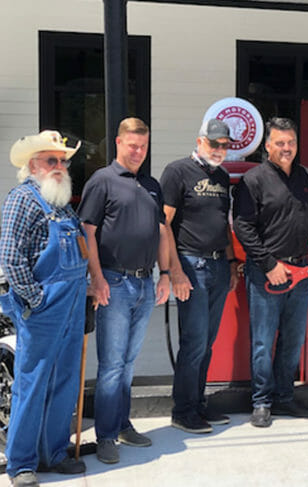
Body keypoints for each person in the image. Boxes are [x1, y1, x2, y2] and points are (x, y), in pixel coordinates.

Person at [77, 117, 171, 463]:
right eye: (133, 145)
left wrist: (165, 274)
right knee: (112, 364)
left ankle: (121, 424)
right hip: (114, 283)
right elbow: (86, 232)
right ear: (118, 143)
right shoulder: (102, 181)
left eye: (143, 146)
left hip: (145, 283)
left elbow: (161, 232)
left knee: (129, 362)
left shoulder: (152, 185)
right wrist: (97, 278)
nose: (138, 152)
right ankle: (105, 436)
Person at [233, 117, 308, 428]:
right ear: (267, 146)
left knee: (293, 340)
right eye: (280, 143)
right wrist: (268, 265)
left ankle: (284, 397)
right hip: (267, 273)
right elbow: (243, 227)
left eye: (291, 142)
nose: (286, 148)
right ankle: (262, 402)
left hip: (301, 271)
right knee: (263, 342)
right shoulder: (253, 180)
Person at [0, 131, 88, 487]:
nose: (60, 166)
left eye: (63, 161)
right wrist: (36, 299)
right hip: (44, 308)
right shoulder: (22, 198)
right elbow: (10, 257)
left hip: (73, 305)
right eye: (52, 160)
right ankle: (21, 463)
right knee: (32, 382)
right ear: (33, 164)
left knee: (64, 380)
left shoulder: (61, 202)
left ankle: (54, 453)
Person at [160, 119, 239, 434]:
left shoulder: (222, 176)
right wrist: (175, 270)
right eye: (214, 143)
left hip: (219, 265)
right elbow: (163, 224)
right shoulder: (177, 171)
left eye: (224, 145)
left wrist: (231, 262)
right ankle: (183, 410)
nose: (219, 149)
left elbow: (223, 223)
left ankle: (197, 403)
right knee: (193, 342)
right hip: (191, 265)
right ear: (200, 141)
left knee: (207, 342)